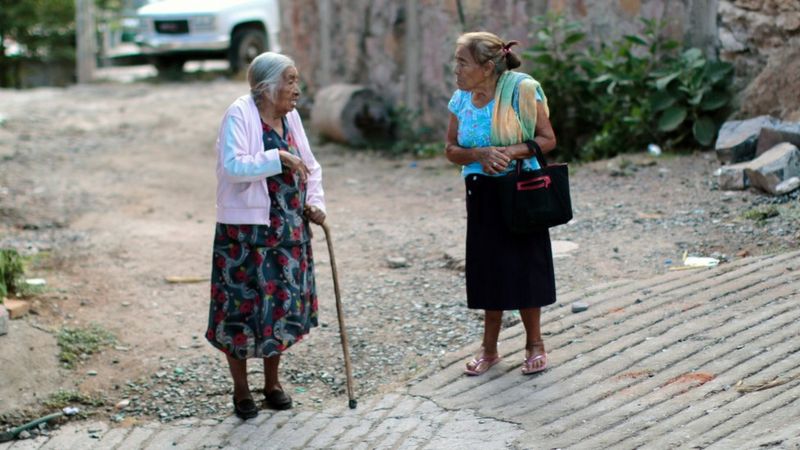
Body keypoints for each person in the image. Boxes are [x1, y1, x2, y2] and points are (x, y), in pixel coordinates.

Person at [205, 52, 326, 419]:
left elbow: (311, 164)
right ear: (266, 87)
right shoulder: (239, 114)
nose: (296, 89)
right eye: (290, 81)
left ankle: (272, 383)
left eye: (296, 80)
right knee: (239, 308)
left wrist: (316, 202)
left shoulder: (291, 118)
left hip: (287, 228)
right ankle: (241, 389)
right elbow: (234, 166)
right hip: (244, 234)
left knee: (280, 307)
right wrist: (279, 158)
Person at [445, 32, 557, 376]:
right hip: (481, 193)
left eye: (462, 62)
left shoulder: (522, 92)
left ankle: (535, 344)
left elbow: (547, 139)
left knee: (526, 265)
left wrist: (508, 152)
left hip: (521, 189)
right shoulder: (460, 100)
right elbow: (450, 149)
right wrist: (478, 154)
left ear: (487, 66)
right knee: (488, 268)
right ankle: (489, 349)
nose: (456, 69)